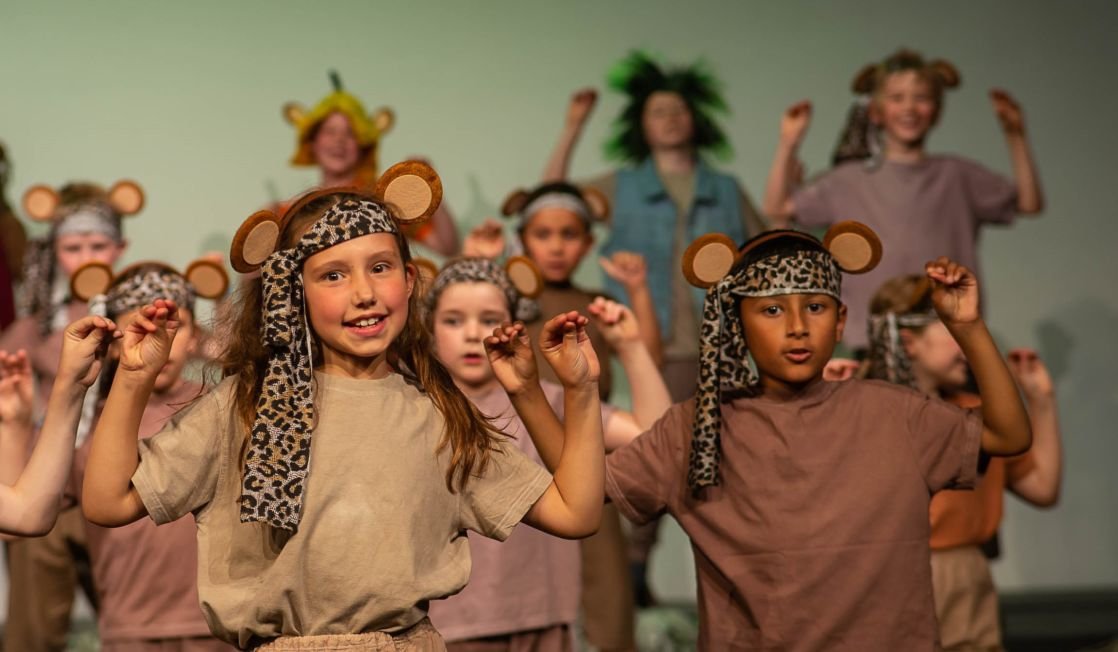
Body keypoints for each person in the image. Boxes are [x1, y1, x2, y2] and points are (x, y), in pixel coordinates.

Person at [80, 162, 605, 650]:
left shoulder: (437, 415)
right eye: (333, 275)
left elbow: (575, 511)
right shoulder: (242, 409)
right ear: (293, 292)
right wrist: (131, 380)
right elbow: (108, 503)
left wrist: (570, 392)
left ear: (410, 279)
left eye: (380, 267)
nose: (364, 293)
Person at [594, 223, 1032, 649]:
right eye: (771, 309)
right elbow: (583, 496)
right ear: (737, 324)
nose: (797, 326)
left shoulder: (894, 413)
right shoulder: (698, 428)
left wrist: (968, 327)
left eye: (816, 307)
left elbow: (1006, 436)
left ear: (840, 321)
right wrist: (568, 398)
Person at [762, 48, 1045, 352]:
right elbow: (777, 208)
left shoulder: (956, 175)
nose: (909, 107)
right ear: (876, 111)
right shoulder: (847, 180)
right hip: (869, 341)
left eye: (921, 98)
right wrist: (788, 143)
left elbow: (1028, 203)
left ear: (936, 109)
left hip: (945, 342)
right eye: (897, 98)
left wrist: (1015, 135)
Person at [865, 273, 1062, 650]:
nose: (967, 350)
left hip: (966, 575)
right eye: (951, 333)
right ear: (909, 343)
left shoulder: (973, 420)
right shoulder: (871, 416)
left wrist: (1041, 402)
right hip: (901, 572)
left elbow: (1042, 488)